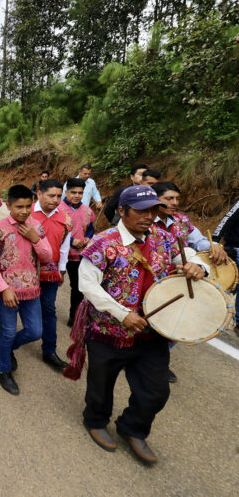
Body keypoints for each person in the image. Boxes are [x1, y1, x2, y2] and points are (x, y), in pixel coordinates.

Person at [66, 185, 207, 465]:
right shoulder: (103, 243)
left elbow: (189, 257)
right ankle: (95, 420)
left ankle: (132, 427)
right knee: (101, 385)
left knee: (156, 391)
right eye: (141, 211)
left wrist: (198, 267)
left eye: (153, 210)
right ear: (122, 211)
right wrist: (122, 314)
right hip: (109, 331)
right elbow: (87, 284)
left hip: (152, 333)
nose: (148, 216)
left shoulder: (164, 239)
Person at [151, 180, 228, 383]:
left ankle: (157, 360)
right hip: (151, 278)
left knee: (177, 320)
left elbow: (200, 241)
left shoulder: (181, 221)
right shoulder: (144, 219)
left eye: (177, 198)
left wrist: (214, 245)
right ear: (155, 199)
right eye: (169, 198)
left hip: (178, 279)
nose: (175, 202)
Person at [0, 185, 52, 395]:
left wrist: (35, 239)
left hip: (31, 290)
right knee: (7, 331)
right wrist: (4, 289)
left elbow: (47, 257)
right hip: (7, 293)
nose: (24, 211)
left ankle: (8, 348)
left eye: (27, 206)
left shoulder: (36, 227)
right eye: (19, 206)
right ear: (8, 205)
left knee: (35, 331)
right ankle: (3, 370)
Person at [30, 179, 73, 371]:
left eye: (58, 196)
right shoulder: (26, 213)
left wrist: (62, 270)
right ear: (39, 194)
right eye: (51, 196)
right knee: (19, 309)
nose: (56, 200)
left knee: (48, 310)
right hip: (26, 273)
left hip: (51, 273)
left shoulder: (65, 219)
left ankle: (49, 351)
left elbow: (64, 247)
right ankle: (9, 347)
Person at [58, 178, 95, 328]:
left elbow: (91, 229)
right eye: (73, 192)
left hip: (78, 256)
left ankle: (74, 317)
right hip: (58, 255)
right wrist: (71, 240)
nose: (77, 195)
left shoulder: (87, 211)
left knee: (77, 288)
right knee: (53, 285)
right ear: (66, 192)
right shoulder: (58, 209)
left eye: (80, 193)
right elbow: (55, 230)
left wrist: (88, 237)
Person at [213, 196, 239, 328]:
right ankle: (216, 315)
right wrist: (214, 240)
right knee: (228, 284)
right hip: (236, 249)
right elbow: (228, 218)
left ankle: (234, 320)